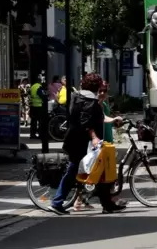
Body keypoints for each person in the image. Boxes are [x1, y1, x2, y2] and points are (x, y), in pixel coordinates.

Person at [50, 73, 126, 215]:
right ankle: (57, 202)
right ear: (96, 86)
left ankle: (107, 204)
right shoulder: (90, 101)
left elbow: (96, 118)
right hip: (82, 143)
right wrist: (94, 137)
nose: (101, 90)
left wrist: (112, 120)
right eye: (99, 86)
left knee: (99, 169)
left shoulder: (77, 97)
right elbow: (86, 122)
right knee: (73, 171)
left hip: (73, 140)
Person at [73, 80, 122, 211]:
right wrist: (112, 120)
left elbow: (103, 117)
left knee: (101, 174)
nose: (102, 93)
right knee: (93, 174)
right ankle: (80, 200)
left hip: (104, 141)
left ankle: (107, 202)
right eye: (100, 91)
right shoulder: (92, 104)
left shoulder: (102, 104)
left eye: (104, 91)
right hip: (94, 143)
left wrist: (114, 121)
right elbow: (97, 120)